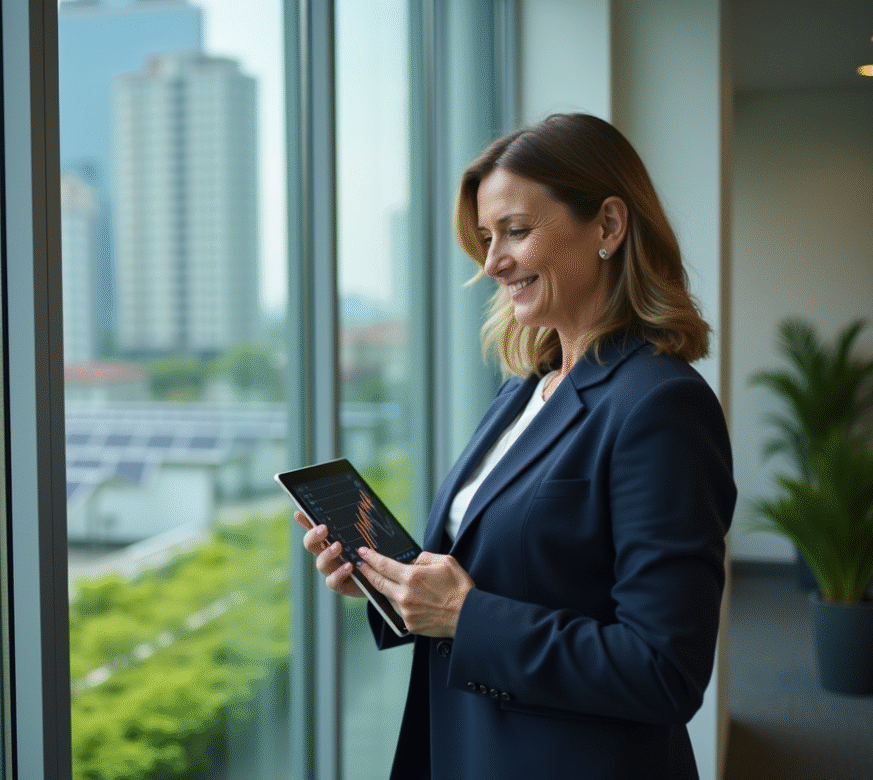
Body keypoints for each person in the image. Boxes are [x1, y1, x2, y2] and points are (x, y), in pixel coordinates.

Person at [296, 113, 736, 780]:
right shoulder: (525, 390)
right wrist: (395, 587)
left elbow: (665, 669)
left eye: (516, 232)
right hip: (462, 747)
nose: (492, 261)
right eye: (485, 237)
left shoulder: (660, 405)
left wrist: (463, 615)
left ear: (609, 227)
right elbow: (498, 570)